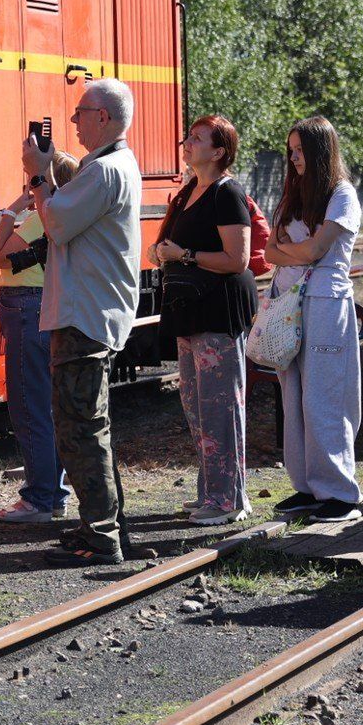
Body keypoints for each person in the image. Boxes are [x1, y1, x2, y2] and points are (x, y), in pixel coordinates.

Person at [24, 77, 143, 566]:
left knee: (80, 430)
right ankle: (105, 526)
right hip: (91, 311)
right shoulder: (110, 166)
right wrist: (52, 172)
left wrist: (39, 176)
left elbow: (56, 223)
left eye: (81, 112)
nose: (73, 120)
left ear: (104, 118)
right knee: (90, 426)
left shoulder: (105, 171)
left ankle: (101, 536)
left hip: (85, 315)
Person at [150, 114, 258, 525]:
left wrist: (185, 256)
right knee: (197, 405)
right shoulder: (188, 192)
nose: (188, 142)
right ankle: (216, 492)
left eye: (197, 138)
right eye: (189, 136)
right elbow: (172, 245)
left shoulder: (227, 193)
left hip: (218, 310)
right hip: (189, 310)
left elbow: (237, 260)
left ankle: (227, 501)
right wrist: (161, 253)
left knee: (220, 407)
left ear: (218, 152)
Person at [264, 116, 363, 520]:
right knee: (293, 395)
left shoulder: (342, 194)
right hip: (288, 302)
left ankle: (339, 492)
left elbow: (315, 251)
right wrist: (301, 251)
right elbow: (270, 252)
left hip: (326, 302)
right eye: (290, 150)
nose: (293, 158)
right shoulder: (293, 196)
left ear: (320, 151)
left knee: (325, 395)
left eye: (300, 150)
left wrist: (296, 250)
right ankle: (306, 486)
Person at [0, 150, 81, 524]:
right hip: (40, 307)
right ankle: (52, 494)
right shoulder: (58, 217)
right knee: (47, 407)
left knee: (30, 408)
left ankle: (39, 499)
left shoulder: (38, 220)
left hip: (27, 310)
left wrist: (11, 210)